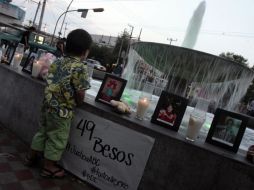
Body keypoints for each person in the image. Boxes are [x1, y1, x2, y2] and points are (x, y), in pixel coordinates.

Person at [24, 29, 92, 178]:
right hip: (62, 111)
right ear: (85, 52)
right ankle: (48, 167)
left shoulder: (58, 60)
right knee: (57, 138)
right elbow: (80, 92)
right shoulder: (81, 67)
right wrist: (78, 102)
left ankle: (30, 157)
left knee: (42, 132)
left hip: (47, 105)